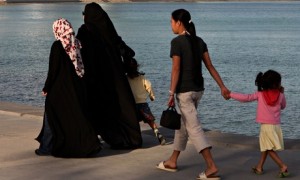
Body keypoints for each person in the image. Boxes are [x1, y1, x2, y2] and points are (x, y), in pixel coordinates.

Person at [156, 9, 229, 179]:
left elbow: (176, 69)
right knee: (183, 125)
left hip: (185, 92)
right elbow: (210, 66)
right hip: (198, 90)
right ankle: (172, 161)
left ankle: (211, 166)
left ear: (179, 23)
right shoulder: (200, 41)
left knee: (194, 128)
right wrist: (222, 87)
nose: (171, 25)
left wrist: (170, 93)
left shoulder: (177, 42)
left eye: (171, 22)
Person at [76, 2, 142, 149]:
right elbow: (125, 50)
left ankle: (98, 137)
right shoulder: (109, 31)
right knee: (120, 105)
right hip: (115, 76)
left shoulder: (86, 31)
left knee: (95, 106)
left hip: (96, 78)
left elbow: (80, 53)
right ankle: (129, 137)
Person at [35, 18, 101, 158]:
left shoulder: (58, 46)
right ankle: (85, 143)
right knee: (74, 116)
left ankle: (46, 148)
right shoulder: (76, 43)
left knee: (50, 116)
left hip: (59, 89)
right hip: (75, 87)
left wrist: (47, 87)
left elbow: (53, 70)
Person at [229, 70, 289, 178]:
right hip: (276, 126)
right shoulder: (280, 95)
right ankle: (259, 167)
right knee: (266, 147)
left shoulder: (260, 94)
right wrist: (282, 93)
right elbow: (283, 106)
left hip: (266, 126)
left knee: (269, 148)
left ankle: (283, 166)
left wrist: (230, 94)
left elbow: (246, 98)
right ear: (276, 84)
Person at [124, 57, 166, 145]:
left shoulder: (125, 79)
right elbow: (149, 86)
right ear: (137, 67)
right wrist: (152, 96)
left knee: (132, 122)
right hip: (142, 103)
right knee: (150, 120)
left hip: (131, 105)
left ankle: (135, 138)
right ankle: (157, 132)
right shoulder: (142, 77)